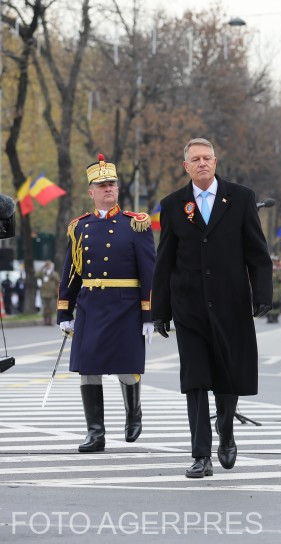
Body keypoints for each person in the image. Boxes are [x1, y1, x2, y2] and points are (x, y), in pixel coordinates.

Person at [152, 138, 273, 478]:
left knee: (228, 375)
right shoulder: (173, 204)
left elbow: (257, 252)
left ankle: (226, 430)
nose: (202, 163)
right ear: (185, 166)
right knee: (195, 380)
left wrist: (261, 293)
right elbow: (164, 261)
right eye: (196, 159)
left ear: (216, 162)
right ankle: (200, 455)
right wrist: (160, 310)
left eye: (207, 158)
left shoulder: (241, 197)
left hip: (231, 303)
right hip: (189, 306)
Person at [56, 154, 155, 453]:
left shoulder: (135, 225)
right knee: (88, 368)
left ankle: (133, 414)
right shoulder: (79, 228)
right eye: (101, 185)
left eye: (111, 183)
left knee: (127, 366)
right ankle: (95, 433)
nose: (108, 188)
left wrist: (150, 314)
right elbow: (71, 271)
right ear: (91, 192)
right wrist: (64, 310)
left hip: (125, 305)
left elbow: (150, 271)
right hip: (91, 305)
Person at [37, 261, 59, 326]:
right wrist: (43, 267)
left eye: (49, 265)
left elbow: (57, 280)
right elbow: (37, 275)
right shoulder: (43, 273)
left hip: (51, 294)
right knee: (45, 308)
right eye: (47, 265)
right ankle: (45, 320)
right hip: (44, 294)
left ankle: (50, 320)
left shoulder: (54, 273)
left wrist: (51, 273)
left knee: (51, 308)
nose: (48, 267)